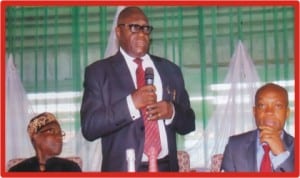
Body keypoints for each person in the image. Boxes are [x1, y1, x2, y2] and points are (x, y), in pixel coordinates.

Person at [80, 6, 195, 172]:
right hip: (122, 169)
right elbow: (90, 128)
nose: (141, 33)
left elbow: (189, 123)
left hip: (166, 167)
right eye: (134, 27)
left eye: (145, 28)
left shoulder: (171, 70)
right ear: (118, 32)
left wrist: (172, 112)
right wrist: (131, 104)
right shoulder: (98, 72)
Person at [220, 83, 294, 172]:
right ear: (254, 112)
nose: (269, 112)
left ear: (287, 113)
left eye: (278, 106)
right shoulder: (234, 146)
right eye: (262, 105)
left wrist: (281, 155)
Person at [8, 112, 81, 172]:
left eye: (60, 133)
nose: (59, 137)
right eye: (51, 131)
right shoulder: (17, 171)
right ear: (35, 136)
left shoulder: (71, 168)